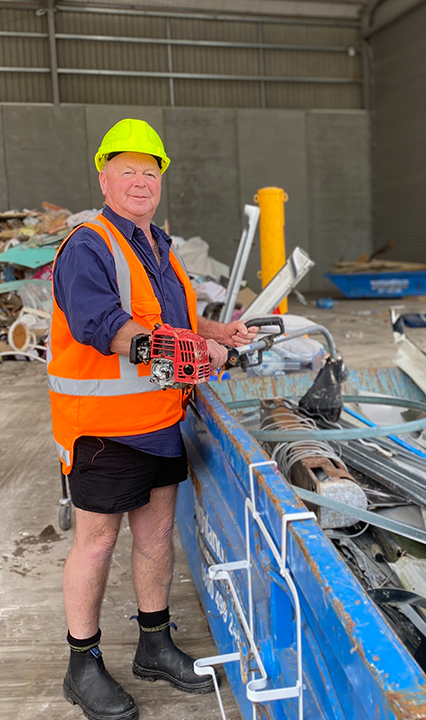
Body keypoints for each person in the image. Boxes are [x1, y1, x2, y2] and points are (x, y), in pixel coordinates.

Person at [48, 118, 258, 720]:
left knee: (156, 536)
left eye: (150, 171)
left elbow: (172, 324)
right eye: (128, 171)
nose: (140, 181)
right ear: (104, 176)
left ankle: (154, 642)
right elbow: (109, 330)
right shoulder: (88, 245)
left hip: (160, 421)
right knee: (95, 544)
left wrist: (218, 332)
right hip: (103, 430)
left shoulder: (158, 245)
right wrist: (199, 354)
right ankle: (81, 664)